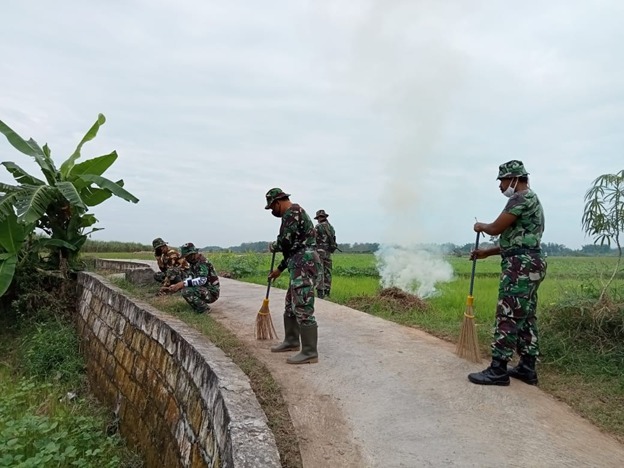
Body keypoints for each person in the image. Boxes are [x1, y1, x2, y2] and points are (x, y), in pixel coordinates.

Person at [468, 160, 547, 386]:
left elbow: (495, 228)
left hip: (520, 266)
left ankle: (498, 370)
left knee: (508, 313)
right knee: (526, 315)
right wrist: (489, 252)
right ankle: (526, 367)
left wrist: (481, 226)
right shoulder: (532, 199)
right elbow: (519, 241)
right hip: (530, 261)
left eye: (502, 181)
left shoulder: (520, 198)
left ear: (514, 178)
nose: (501, 186)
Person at [264, 187, 320, 364]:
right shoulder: (293, 213)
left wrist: (275, 245)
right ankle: (291, 341)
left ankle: (310, 352)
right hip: (297, 261)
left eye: (272, 208)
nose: (272, 211)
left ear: (277, 202)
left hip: (304, 262)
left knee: (302, 305)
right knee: (290, 304)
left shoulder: (292, 212)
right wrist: (279, 270)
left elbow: (285, 242)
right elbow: (290, 249)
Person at [161, 242, 220, 313]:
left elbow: (202, 280)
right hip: (203, 289)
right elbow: (190, 278)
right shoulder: (193, 263)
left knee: (186, 290)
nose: (186, 259)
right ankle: (197, 306)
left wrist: (182, 284)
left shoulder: (202, 262)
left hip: (211, 292)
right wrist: (176, 286)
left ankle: (204, 309)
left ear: (192, 254)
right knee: (184, 287)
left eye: (187, 256)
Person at [313, 209, 337, 298]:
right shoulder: (331, 227)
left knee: (320, 272)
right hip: (328, 252)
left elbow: (312, 238)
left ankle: (320, 293)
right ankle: (327, 292)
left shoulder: (318, 227)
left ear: (319, 218)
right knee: (327, 272)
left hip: (319, 252)